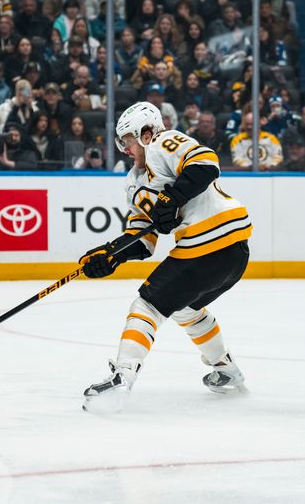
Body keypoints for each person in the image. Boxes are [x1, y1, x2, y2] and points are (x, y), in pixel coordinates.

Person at [79, 101, 251, 413]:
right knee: (186, 309)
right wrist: (111, 255)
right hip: (232, 254)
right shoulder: (134, 183)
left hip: (210, 243)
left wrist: (171, 198)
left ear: (145, 133)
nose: (125, 150)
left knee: (147, 304)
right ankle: (227, 371)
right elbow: (144, 240)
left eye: (127, 142)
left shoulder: (162, 142)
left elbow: (207, 164)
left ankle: (122, 377)